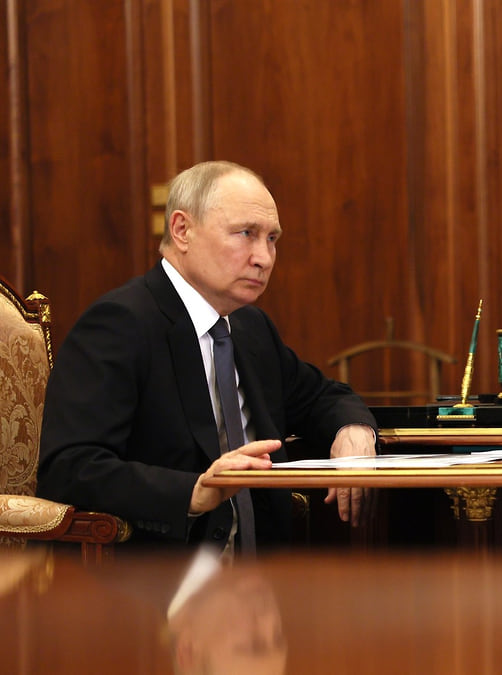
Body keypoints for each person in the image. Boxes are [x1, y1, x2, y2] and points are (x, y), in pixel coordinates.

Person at [38, 160, 378, 553]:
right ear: (182, 230)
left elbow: (322, 396)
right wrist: (193, 492)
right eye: (246, 234)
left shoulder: (249, 327)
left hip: (266, 574)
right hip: (155, 575)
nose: (264, 258)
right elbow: (69, 467)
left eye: (272, 239)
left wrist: (354, 431)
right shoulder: (120, 324)